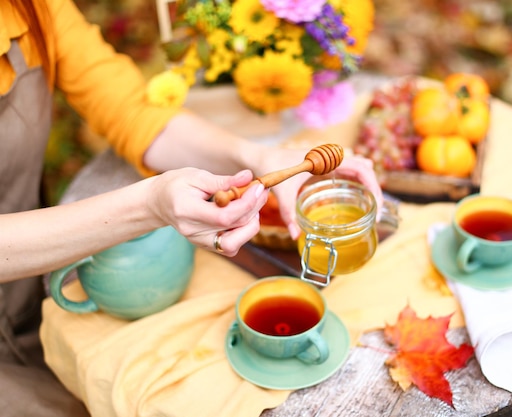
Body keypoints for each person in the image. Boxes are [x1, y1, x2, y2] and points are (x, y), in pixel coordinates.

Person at [0, 0, 383, 415]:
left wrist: (257, 156)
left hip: (25, 302)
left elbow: (134, 111)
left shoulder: (31, 7)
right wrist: (149, 205)